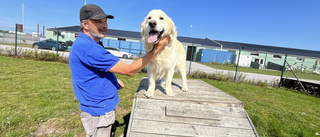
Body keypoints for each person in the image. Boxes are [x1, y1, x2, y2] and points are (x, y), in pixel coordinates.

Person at [69, 4, 170, 137]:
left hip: (101, 108)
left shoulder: (90, 42)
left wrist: (113, 79)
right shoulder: (88, 47)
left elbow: (97, 69)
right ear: (85, 24)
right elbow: (129, 70)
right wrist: (157, 49)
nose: (104, 25)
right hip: (99, 111)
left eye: (105, 21)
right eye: (98, 22)